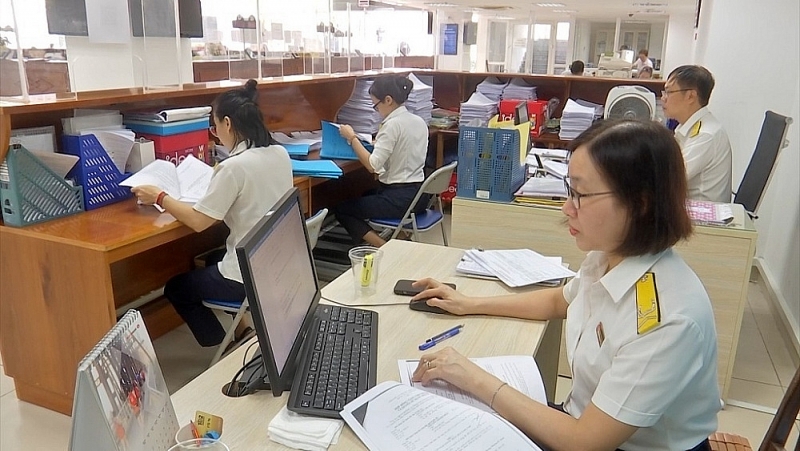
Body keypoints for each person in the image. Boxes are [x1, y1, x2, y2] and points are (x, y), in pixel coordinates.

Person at [410, 119, 720, 451]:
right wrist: (469, 303)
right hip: (581, 420)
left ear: (640, 204)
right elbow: (562, 300)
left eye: (581, 194)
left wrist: (474, 378)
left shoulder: (667, 319)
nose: (567, 207)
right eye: (570, 190)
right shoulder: (610, 255)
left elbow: (584, 441)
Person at [131, 79, 294, 347]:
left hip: (251, 275)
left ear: (227, 123)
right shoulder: (279, 153)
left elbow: (197, 222)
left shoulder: (234, 167)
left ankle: (221, 344)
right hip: (277, 262)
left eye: (215, 127)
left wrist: (159, 196)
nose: (215, 134)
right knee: (213, 259)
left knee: (177, 288)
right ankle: (242, 330)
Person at [334, 75, 429, 247]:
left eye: (375, 106)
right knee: (365, 195)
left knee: (342, 209)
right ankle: (400, 239)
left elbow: (372, 166)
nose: (376, 111)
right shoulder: (418, 121)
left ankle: (385, 247)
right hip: (419, 196)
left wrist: (352, 138)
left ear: (388, 100)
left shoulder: (392, 125)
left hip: (400, 199)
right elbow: (403, 148)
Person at [661, 65, 732, 202]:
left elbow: (669, 178)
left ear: (690, 96)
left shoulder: (705, 135)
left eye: (668, 92)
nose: (663, 98)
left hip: (702, 218)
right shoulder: (689, 127)